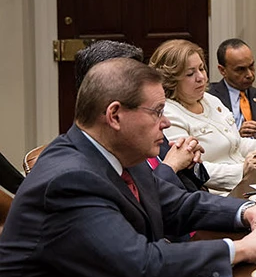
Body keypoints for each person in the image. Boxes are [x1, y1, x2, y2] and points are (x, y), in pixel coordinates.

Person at [0, 58, 256, 277]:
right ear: (114, 115)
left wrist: (249, 212)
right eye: (156, 112)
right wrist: (242, 249)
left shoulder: (122, 156)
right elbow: (140, 263)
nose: (166, 123)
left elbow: (178, 204)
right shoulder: (70, 179)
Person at [149, 40, 256, 195]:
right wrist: (242, 169)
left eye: (201, 69)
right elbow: (193, 169)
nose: (201, 77)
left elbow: (235, 145)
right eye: (190, 74)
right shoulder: (168, 114)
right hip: (219, 195)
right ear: (171, 79)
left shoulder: (210, 100)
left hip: (247, 184)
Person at [75, 39, 209, 193]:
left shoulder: (142, 130)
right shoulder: (84, 170)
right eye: (136, 81)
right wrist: (171, 166)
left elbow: (189, 195)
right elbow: (151, 201)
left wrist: (191, 163)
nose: (166, 122)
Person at [209, 38, 256, 138]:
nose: (249, 74)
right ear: (222, 70)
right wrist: (236, 137)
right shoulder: (210, 98)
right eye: (240, 69)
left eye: (251, 66)